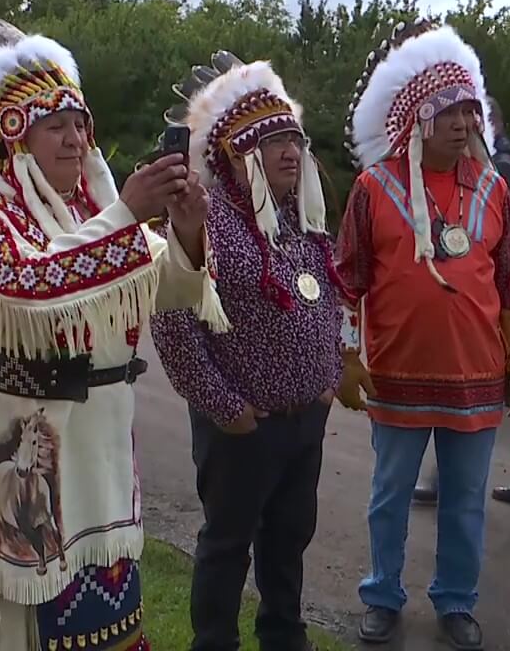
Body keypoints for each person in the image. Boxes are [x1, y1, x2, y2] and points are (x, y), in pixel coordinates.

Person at [0, 15, 229, 651]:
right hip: (29, 434)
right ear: (16, 134)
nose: (74, 138)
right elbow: (20, 288)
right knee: (37, 601)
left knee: (109, 589)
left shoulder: (94, 210)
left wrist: (186, 231)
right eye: (54, 126)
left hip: (104, 431)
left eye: (80, 124)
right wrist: (126, 216)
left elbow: (165, 283)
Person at [335, 20, 510, 651]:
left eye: (469, 112)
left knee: (465, 501)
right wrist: (343, 354)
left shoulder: (494, 189)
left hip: (476, 378)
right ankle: (382, 595)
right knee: (389, 497)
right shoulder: (374, 189)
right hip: (397, 375)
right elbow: (347, 279)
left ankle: (457, 600)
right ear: (417, 119)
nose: (462, 123)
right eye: (448, 112)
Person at [149, 52, 343, 651]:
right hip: (240, 427)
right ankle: (215, 643)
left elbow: (328, 300)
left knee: (289, 538)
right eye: (273, 142)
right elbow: (173, 326)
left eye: (295, 140)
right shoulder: (201, 220)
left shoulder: (302, 220)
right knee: (228, 544)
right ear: (235, 153)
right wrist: (224, 407)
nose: (290, 153)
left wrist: (329, 377)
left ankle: (284, 637)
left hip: (304, 419)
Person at [411, 97, 510, 510]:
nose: (462, 127)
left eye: (470, 116)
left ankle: (460, 480)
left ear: (487, 123)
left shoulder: (500, 171)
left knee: (490, 383)